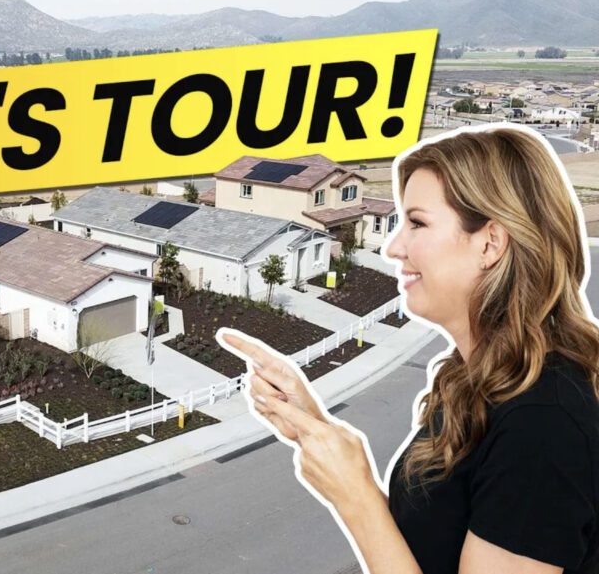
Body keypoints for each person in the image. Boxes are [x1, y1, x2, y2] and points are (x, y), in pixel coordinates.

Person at [218, 123, 599, 574]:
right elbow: (426, 544)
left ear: (490, 243)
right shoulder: (483, 376)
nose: (393, 247)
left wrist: (356, 497)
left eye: (417, 222)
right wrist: (316, 429)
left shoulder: (543, 420)